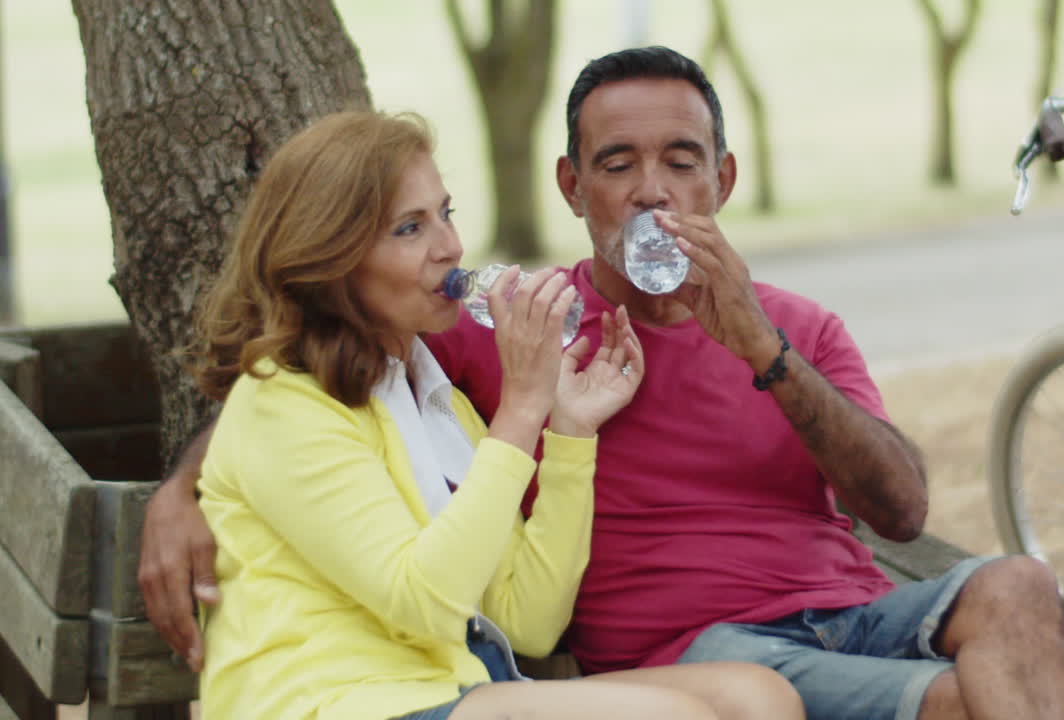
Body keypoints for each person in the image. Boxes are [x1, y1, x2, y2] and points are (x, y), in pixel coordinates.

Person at [142, 50, 1064, 720]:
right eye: (617, 164)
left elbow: (902, 511)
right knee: (969, 703)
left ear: (720, 179)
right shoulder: (508, 330)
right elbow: (299, 386)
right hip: (688, 650)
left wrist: (759, 351)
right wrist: (183, 487)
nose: (651, 192)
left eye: (681, 162)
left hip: (848, 614)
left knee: (1017, 585)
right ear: (571, 187)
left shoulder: (798, 329)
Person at [180, 109, 803, 720]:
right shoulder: (282, 405)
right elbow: (422, 603)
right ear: (332, 255)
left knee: (758, 696)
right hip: (338, 703)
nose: (450, 247)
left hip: (457, 690)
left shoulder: (429, 397)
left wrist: (569, 432)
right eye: (409, 229)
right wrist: (522, 409)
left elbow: (528, 621)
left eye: (445, 215)